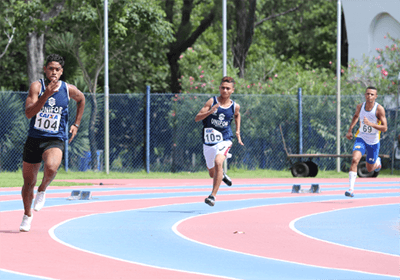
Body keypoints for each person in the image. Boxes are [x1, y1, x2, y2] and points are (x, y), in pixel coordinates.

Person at [19, 54, 86, 232]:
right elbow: (28, 113)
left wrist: (76, 124)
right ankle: (27, 215)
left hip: (54, 138)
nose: (54, 72)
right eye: (51, 68)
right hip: (34, 138)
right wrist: (46, 95)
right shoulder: (36, 87)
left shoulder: (67, 89)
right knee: (28, 183)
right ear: (45, 70)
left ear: (61, 71)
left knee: (51, 168)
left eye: (57, 69)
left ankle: (43, 189)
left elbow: (81, 99)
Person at [195, 76, 244, 206]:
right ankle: (222, 176)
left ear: (232, 90)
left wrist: (238, 131)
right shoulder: (212, 101)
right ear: (219, 88)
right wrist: (210, 111)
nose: (225, 90)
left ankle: (213, 196)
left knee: (218, 162)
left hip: (225, 139)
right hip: (208, 142)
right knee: (212, 174)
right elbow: (197, 118)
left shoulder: (235, 106)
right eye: (223, 87)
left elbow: (237, 115)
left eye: (228, 88)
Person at [345, 86, 387, 197]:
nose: (369, 96)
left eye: (372, 94)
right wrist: (350, 130)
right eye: (368, 94)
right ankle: (351, 189)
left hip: (373, 142)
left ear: (376, 96)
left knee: (370, 169)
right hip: (361, 138)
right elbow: (355, 116)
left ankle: (377, 163)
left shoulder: (379, 109)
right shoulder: (360, 106)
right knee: (355, 160)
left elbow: (385, 128)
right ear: (365, 95)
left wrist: (371, 124)